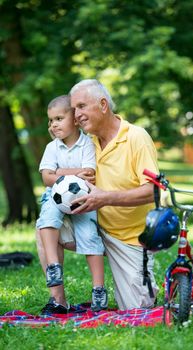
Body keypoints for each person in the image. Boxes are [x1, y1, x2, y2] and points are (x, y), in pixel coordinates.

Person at [69, 79, 160, 310]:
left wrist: (104, 198)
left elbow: (153, 190)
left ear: (102, 105)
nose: (76, 115)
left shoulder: (136, 137)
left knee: (138, 309)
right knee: (46, 226)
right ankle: (57, 301)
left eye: (81, 106)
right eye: (73, 109)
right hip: (92, 228)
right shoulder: (84, 143)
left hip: (131, 240)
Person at [36, 94, 107, 314]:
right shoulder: (52, 147)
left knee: (90, 237)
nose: (53, 124)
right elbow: (46, 179)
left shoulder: (87, 144)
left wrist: (58, 172)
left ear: (75, 120)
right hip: (55, 199)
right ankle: (53, 267)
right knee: (46, 219)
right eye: (51, 121)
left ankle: (99, 290)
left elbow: (89, 175)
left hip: (82, 200)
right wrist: (72, 173)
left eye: (59, 118)